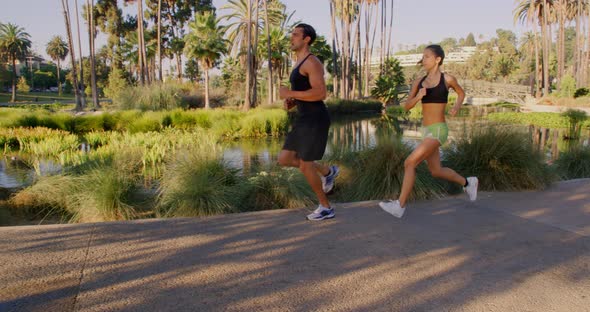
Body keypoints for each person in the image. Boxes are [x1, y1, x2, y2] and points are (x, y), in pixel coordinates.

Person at [379, 44, 478, 218]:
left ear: (437, 59)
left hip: (439, 130)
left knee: (410, 162)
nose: (423, 60)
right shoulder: (419, 82)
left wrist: (456, 106)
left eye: (427, 56)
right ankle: (468, 182)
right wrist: (418, 97)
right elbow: (407, 106)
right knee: (436, 170)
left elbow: (461, 93)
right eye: (423, 57)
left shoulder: (447, 79)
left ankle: (399, 206)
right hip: (426, 131)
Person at [278, 23, 339, 221]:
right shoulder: (298, 63)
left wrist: (290, 93)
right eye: (292, 34)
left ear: (307, 39)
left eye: (296, 35)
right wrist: (293, 101)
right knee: (284, 159)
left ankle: (325, 207)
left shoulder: (311, 62)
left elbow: (321, 93)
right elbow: (307, 92)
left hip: (315, 119)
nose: (292, 38)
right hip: (303, 118)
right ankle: (327, 171)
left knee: (305, 165)